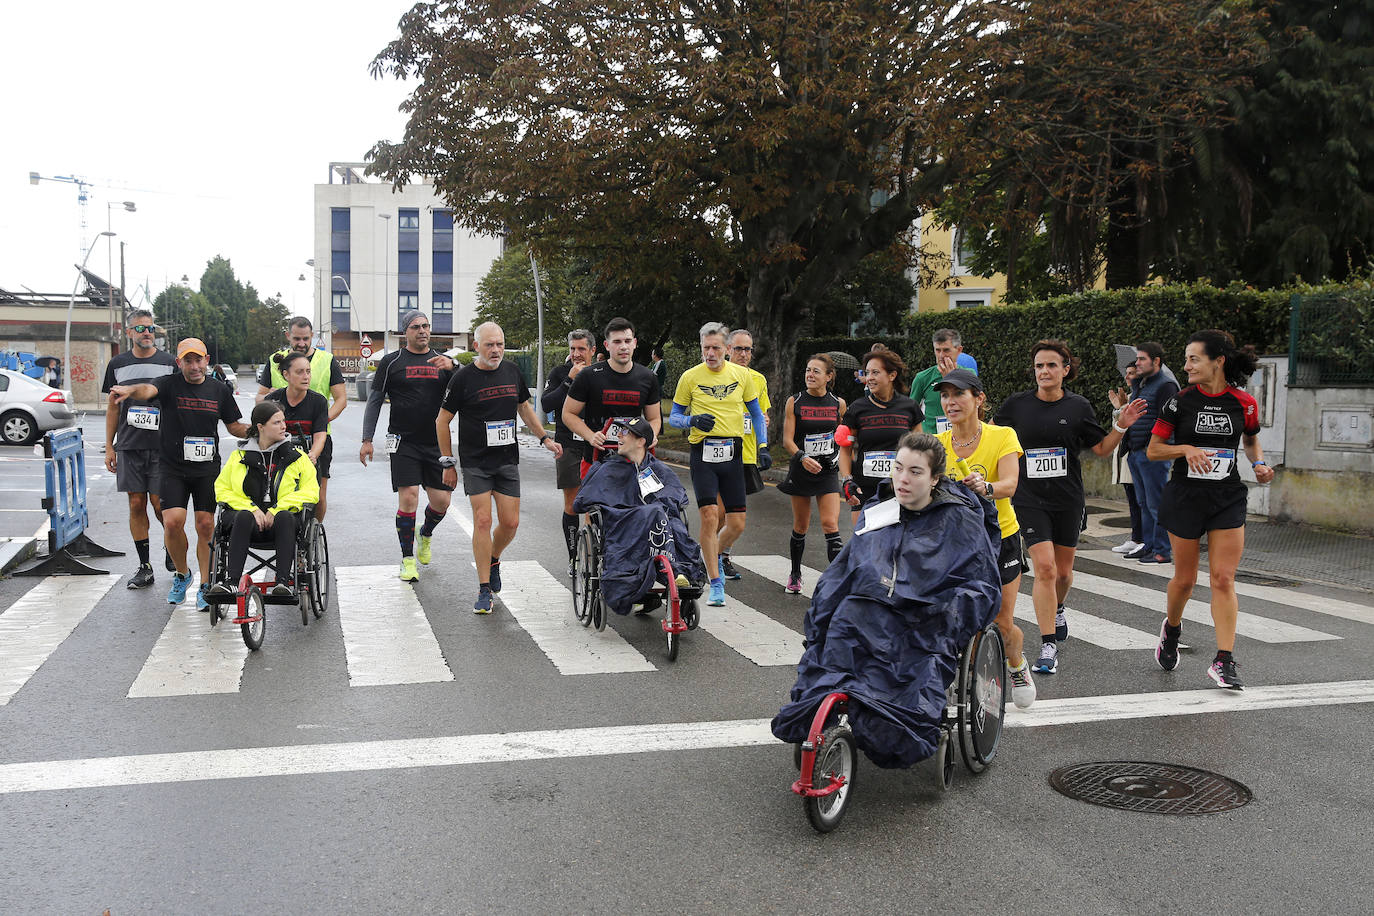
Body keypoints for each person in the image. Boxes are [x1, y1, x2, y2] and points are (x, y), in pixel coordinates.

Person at [772, 432, 1003, 769]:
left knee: (908, 676)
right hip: (865, 610)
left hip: (925, 619)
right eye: (897, 468)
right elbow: (845, 569)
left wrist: (949, 616)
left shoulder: (960, 519)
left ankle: (889, 725)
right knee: (837, 636)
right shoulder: (878, 511)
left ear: (935, 478)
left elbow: (982, 583)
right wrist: (820, 615)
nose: (902, 479)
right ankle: (828, 712)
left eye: (915, 472)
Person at [994, 340, 1148, 675]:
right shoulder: (1015, 406)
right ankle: (1048, 644)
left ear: (1066, 370)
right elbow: (993, 438)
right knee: (1045, 569)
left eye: (1051, 365)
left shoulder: (1078, 407)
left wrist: (1121, 424)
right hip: (1028, 498)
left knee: (1063, 573)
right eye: (1038, 366)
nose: (1044, 372)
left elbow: (1102, 448)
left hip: (1067, 499)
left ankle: (1058, 606)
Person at [1150, 330, 1272, 690]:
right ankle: (1171, 629)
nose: (1186, 365)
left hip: (1227, 497)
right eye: (1186, 359)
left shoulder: (1244, 403)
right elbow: (1155, 449)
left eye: (1193, 359)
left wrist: (1260, 463)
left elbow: (1250, 440)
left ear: (1217, 361)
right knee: (1185, 580)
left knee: (1223, 578)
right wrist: (1185, 449)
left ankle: (1224, 660)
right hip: (1186, 496)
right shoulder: (1179, 401)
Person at [109, 338, 248, 611]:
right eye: (188, 360)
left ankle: (206, 584)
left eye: (198, 360)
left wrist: (260, 430)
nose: (194, 366)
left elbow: (233, 426)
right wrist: (130, 390)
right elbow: (146, 390)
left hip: (206, 468)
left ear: (207, 360)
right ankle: (183, 575)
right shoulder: (167, 384)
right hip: (172, 466)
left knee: (205, 524)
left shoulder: (219, 390)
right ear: (179, 363)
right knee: (172, 521)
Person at [437, 321, 562, 613]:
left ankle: (494, 557)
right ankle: (483, 589)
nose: (496, 350)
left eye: (500, 344)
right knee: (482, 520)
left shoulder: (512, 371)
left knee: (510, 523)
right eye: (490, 345)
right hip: (476, 461)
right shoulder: (463, 379)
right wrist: (448, 462)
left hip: (506, 460)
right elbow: (442, 420)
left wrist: (544, 437)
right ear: (477, 346)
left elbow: (524, 407)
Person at [933, 368, 1035, 709]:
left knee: (1001, 622)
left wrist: (986, 488)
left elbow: (1010, 483)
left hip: (1000, 539)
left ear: (979, 399)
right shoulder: (938, 445)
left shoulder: (1002, 436)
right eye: (945, 395)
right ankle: (965, 680)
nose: (950, 402)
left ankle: (1016, 665)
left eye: (958, 394)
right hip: (955, 546)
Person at [668, 321, 768, 608]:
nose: (710, 353)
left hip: (733, 453)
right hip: (703, 452)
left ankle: (709, 554)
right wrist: (691, 421)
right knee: (710, 515)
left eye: (715, 348)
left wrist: (761, 446)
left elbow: (757, 415)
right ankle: (715, 582)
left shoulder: (741, 375)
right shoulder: (689, 377)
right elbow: (673, 416)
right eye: (705, 348)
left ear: (726, 348)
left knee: (736, 523)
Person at [360, 310, 459, 583]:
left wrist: (455, 369)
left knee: (442, 502)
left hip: (436, 443)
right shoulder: (392, 362)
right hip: (403, 441)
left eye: (426, 326)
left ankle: (424, 533)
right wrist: (367, 439)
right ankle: (406, 559)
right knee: (409, 498)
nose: (422, 330)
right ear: (406, 332)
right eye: (416, 327)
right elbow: (375, 400)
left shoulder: (443, 362)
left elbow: (464, 391)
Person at [572, 417, 705, 614]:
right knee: (654, 513)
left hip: (660, 521)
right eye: (619, 432)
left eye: (625, 433)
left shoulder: (658, 469)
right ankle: (672, 573)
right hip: (624, 524)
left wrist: (656, 505)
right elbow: (581, 503)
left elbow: (676, 496)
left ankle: (679, 573)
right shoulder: (608, 468)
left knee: (669, 520)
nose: (618, 436)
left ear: (641, 441)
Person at [207, 401, 320, 602]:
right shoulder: (238, 457)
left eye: (283, 421)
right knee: (242, 516)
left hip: (282, 524)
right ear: (261, 427)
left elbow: (311, 491)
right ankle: (232, 582)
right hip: (246, 524)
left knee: (285, 517)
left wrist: (276, 509)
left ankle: (282, 582)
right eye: (277, 422)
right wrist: (251, 509)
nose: (284, 426)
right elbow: (221, 489)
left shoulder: (297, 457)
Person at [102, 310, 177, 589]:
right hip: (130, 446)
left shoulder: (170, 363)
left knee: (160, 505)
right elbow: (112, 408)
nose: (147, 332)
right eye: (141, 328)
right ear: (129, 332)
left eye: (150, 328)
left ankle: (171, 548)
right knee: (136, 503)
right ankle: (145, 566)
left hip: (162, 447)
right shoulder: (118, 364)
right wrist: (109, 447)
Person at [256, 316, 347, 519]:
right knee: (280, 491)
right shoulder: (274, 360)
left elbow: (341, 400)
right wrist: (269, 402)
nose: (301, 343)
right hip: (280, 438)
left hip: (316, 437)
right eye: (297, 338)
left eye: (306, 338)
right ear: (288, 336)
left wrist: (320, 421)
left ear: (312, 336)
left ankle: (312, 535)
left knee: (318, 497)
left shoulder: (327, 361)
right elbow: (259, 398)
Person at [777, 353, 847, 594]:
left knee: (830, 524)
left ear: (829, 376)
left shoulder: (838, 403)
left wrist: (836, 455)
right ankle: (795, 573)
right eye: (808, 370)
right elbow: (787, 440)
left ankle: (837, 581)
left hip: (827, 470)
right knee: (801, 525)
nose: (810, 374)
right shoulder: (794, 401)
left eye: (816, 371)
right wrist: (803, 457)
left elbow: (842, 437)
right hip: (802, 468)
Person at [562, 317, 663, 477]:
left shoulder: (648, 377)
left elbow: (655, 418)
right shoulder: (588, 376)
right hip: (596, 461)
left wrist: (651, 434)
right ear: (607, 345)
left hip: (634, 461)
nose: (623, 346)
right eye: (617, 342)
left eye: (627, 341)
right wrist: (590, 436)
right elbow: (568, 413)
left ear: (635, 343)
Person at [716, 327, 772, 580]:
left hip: (746, 454)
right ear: (728, 349)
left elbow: (762, 414)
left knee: (734, 515)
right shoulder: (716, 375)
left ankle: (723, 557)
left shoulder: (758, 379)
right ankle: (710, 557)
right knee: (717, 513)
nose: (743, 354)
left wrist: (763, 444)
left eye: (748, 349)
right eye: (738, 348)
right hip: (720, 452)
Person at [837, 346, 922, 509]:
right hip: (865, 490)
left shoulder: (909, 407)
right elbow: (845, 449)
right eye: (867, 373)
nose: (869, 378)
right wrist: (847, 480)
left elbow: (920, 449)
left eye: (875, 372)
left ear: (892, 375)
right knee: (863, 535)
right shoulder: (857, 408)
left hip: (901, 489)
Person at [541, 328, 596, 575]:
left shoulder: (600, 374)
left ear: (593, 350)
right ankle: (574, 558)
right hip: (567, 445)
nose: (576, 354)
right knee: (573, 505)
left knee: (597, 505)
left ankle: (595, 553)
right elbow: (546, 403)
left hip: (596, 445)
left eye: (581, 349)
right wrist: (569, 380)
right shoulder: (560, 373)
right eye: (573, 349)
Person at [1124, 342, 1181, 564]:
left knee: (1156, 503)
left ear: (1156, 361)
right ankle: (1148, 545)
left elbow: (1168, 419)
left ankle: (1161, 550)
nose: (1137, 363)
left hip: (1153, 452)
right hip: (1137, 450)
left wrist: (1155, 447)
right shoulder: (1143, 383)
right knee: (1143, 502)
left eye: (1142, 359)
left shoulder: (1166, 385)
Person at [263, 351, 329, 510]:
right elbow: (263, 436)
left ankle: (315, 526)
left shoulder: (318, 401)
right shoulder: (272, 400)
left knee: (318, 499)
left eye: (308, 371)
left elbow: (320, 435)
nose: (306, 376)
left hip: (307, 457)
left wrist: (313, 454)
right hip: (278, 458)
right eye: (300, 372)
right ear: (286, 375)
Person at [908, 329, 977, 434]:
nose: (941, 355)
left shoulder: (969, 374)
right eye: (937, 350)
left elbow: (975, 407)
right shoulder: (922, 378)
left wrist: (951, 378)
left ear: (959, 350)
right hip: (933, 441)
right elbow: (911, 412)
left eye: (946, 350)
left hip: (962, 437)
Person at [1109, 365, 1144, 554]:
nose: (1127, 377)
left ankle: (1144, 539)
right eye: (1127, 374)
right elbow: (1117, 427)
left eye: (1132, 373)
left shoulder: (1142, 398)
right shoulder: (1131, 396)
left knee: (1141, 500)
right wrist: (1119, 407)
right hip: (1124, 455)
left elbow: (1133, 425)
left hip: (1136, 455)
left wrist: (1121, 407)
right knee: (1132, 499)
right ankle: (1136, 537)